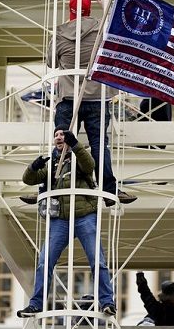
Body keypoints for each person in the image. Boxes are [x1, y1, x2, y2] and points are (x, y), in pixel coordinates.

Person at [16, 126, 116, 318]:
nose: (58, 138)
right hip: (60, 219)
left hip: (84, 215)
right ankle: (36, 304)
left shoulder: (78, 157)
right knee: (45, 262)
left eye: (62, 135)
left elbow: (90, 166)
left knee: (97, 260)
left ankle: (106, 302)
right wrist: (34, 166)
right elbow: (28, 179)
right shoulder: (53, 163)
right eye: (56, 135)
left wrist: (76, 145)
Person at [48, 0, 137, 207]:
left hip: (69, 98)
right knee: (99, 145)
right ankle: (108, 189)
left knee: (62, 143)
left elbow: (51, 62)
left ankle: (48, 187)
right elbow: (120, 43)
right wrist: (108, 6)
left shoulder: (60, 34)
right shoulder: (103, 30)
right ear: (90, 10)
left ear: (70, 11)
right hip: (98, 97)